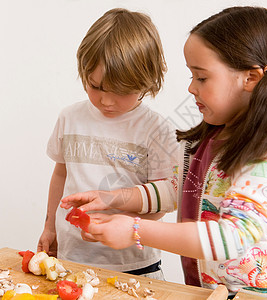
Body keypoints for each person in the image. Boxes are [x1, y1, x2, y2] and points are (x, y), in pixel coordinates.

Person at [61, 6, 267, 299]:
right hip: (209, 291)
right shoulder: (208, 141)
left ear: (251, 78)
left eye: (201, 78)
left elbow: (232, 237)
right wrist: (115, 198)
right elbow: (177, 190)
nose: (191, 88)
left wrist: (135, 230)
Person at [37, 8, 178, 280]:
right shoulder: (70, 117)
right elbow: (61, 173)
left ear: (147, 81)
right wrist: (50, 227)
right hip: (72, 258)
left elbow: (165, 198)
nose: (106, 101)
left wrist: (128, 230)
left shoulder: (156, 129)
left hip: (134, 265)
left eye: (121, 92)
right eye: (96, 86)